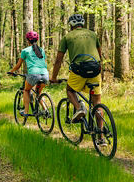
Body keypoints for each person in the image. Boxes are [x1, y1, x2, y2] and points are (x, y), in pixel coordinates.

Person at [50, 14, 105, 144]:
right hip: (95, 69)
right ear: (83, 24)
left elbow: (58, 60)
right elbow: (99, 54)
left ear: (71, 25)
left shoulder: (67, 37)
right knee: (97, 104)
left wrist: (53, 77)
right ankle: (101, 137)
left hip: (79, 69)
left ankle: (80, 108)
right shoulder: (93, 34)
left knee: (70, 90)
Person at [8, 31, 49, 117]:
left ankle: (26, 112)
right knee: (38, 93)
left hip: (33, 74)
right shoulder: (41, 50)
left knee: (26, 90)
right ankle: (46, 110)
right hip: (45, 74)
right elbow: (44, 63)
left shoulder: (25, 51)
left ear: (28, 40)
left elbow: (18, 65)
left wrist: (12, 71)